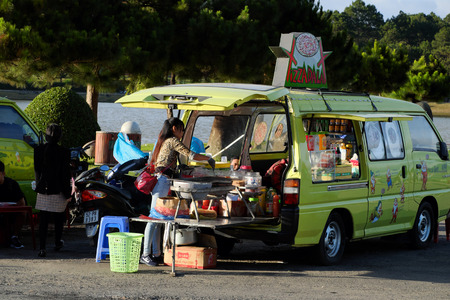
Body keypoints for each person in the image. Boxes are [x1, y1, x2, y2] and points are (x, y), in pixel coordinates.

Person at [140, 117, 215, 266]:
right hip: (161, 181)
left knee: (158, 219)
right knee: (153, 219)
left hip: (161, 180)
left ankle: (155, 254)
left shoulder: (163, 140)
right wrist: (207, 158)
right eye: (181, 129)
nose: (182, 133)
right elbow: (191, 154)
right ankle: (145, 253)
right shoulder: (172, 140)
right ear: (174, 128)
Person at [34, 123, 72, 258]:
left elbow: (37, 172)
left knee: (43, 220)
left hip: (43, 188)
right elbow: (65, 175)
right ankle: (57, 242)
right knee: (58, 218)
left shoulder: (38, 150)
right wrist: (68, 193)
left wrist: (38, 186)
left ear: (46, 135)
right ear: (60, 136)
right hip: (58, 189)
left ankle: (42, 248)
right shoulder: (64, 152)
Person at [0, 160, 26, 248]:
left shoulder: (12, 184)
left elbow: (22, 202)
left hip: (11, 212)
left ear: (3, 173)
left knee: (23, 212)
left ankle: (14, 236)